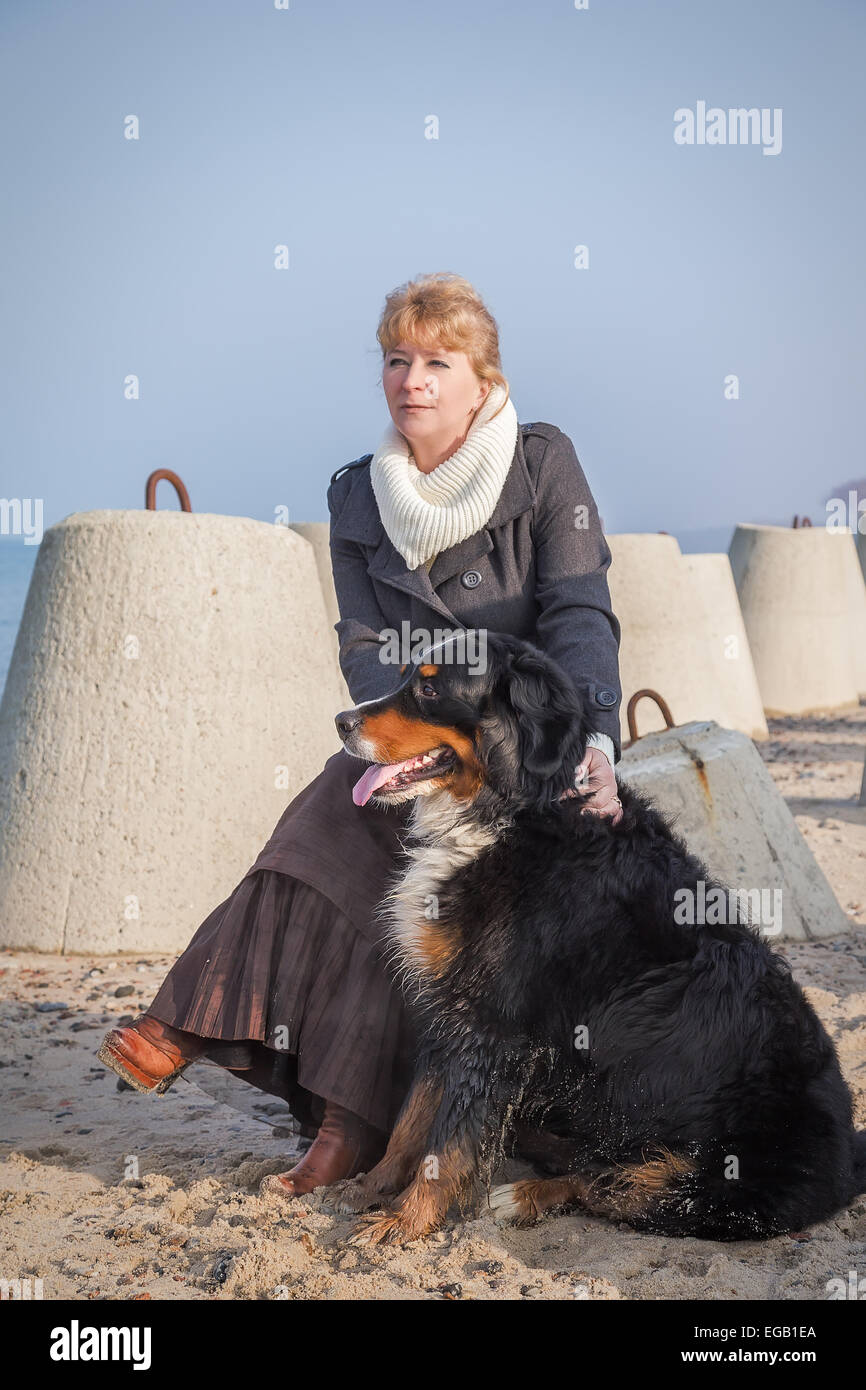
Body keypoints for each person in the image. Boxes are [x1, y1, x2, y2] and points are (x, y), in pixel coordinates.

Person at [97, 271, 624, 1198]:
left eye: (436, 361)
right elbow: (367, 647)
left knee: (353, 829)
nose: (411, 379)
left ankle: (217, 1041)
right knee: (339, 819)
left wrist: (591, 742)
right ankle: (337, 1122)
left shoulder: (542, 464)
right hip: (423, 740)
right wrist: (404, 741)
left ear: (482, 379)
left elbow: (580, 612)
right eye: (396, 359)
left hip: (525, 751)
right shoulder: (355, 498)